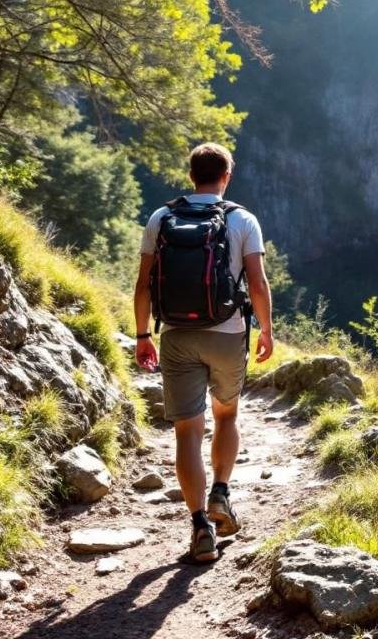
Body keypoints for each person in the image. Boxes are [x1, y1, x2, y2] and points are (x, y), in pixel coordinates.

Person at [133, 142, 274, 563]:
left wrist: (142, 335)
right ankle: (221, 495)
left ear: (191, 174)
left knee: (187, 432)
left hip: (176, 335)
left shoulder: (162, 218)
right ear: (226, 176)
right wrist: (265, 329)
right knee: (226, 414)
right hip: (228, 334)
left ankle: (199, 527)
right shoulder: (242, 219)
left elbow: (143, 284)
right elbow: (258, 282)